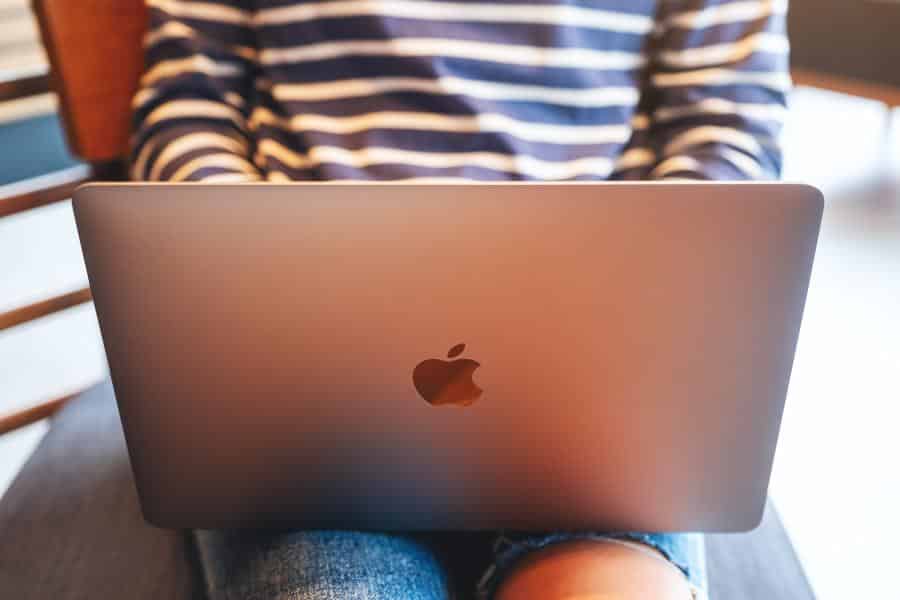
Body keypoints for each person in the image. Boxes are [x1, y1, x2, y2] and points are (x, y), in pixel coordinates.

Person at [131, 0, 789, 598]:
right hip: (305, 389)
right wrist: (254, 255)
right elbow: (188, 108)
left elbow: (725, 129)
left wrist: (632, 278)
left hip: (596, 385)